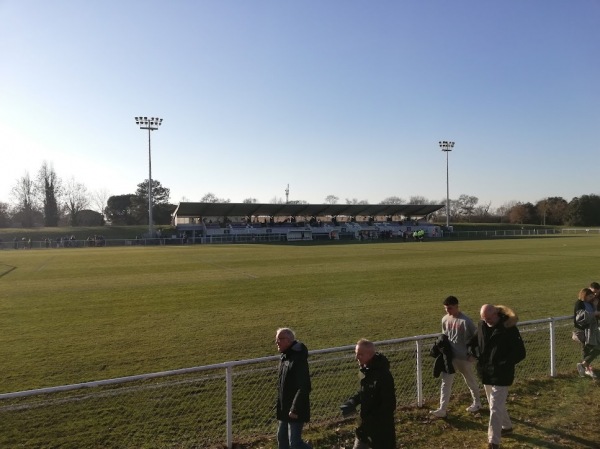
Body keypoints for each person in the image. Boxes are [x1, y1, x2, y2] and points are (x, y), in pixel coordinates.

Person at [469, 304, 526, 449]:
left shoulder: (509, 328)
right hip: (486, 372)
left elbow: (520, 352)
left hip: (501, 374)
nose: (486, 321)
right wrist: (475, 354)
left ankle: (493, 441)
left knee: (494, 406)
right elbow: (473, 343)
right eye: (484, 318)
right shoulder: (482, 325)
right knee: (494, 404)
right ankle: (507, 427)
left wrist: (503, 363)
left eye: (489, 318)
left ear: (497, 314)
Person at [430, 296, 481, 418]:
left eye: (450, 308)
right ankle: (442, 409)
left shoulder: (466, 321)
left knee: (470, 381)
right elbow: (444, 336)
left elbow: (477, 338)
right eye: (446, 308)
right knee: (445, 382)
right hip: (450, 358)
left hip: (464, 358)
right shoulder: (445, 319)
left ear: (457, 306)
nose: (448, 311)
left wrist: (473, 356)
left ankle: (477, 403)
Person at [340, 338, 396, 449]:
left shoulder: (383, 375)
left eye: (360, 354)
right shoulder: (365, 370)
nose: (356, 357)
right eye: (356, 354)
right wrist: (353, 401)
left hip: (381, 430)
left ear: (370, 355)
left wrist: (372, 419)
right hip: (364, 428)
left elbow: (389, 404)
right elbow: (364, 391)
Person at [275, 327, 312, 449]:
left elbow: (304, 386)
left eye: (280, 339)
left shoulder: (298, 358)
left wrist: (295, 408)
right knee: (282, 440)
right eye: (276, 339)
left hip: (295, 409)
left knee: (295, 444)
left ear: (289, 340)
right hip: (285, 408)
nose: (277, 342)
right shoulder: (285, 356)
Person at [573, 287, 600, 379]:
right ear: (585, 296)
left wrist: (595, 306)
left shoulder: (590, 303)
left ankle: (584, 367)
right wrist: (595, 313)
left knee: (591, 349)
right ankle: (585, 368)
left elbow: (594, 313)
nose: (592, 298)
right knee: (589, 349)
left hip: (591, 330)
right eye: (590, 296)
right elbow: (580, 318)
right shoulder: (579, 303)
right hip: (582, 331)